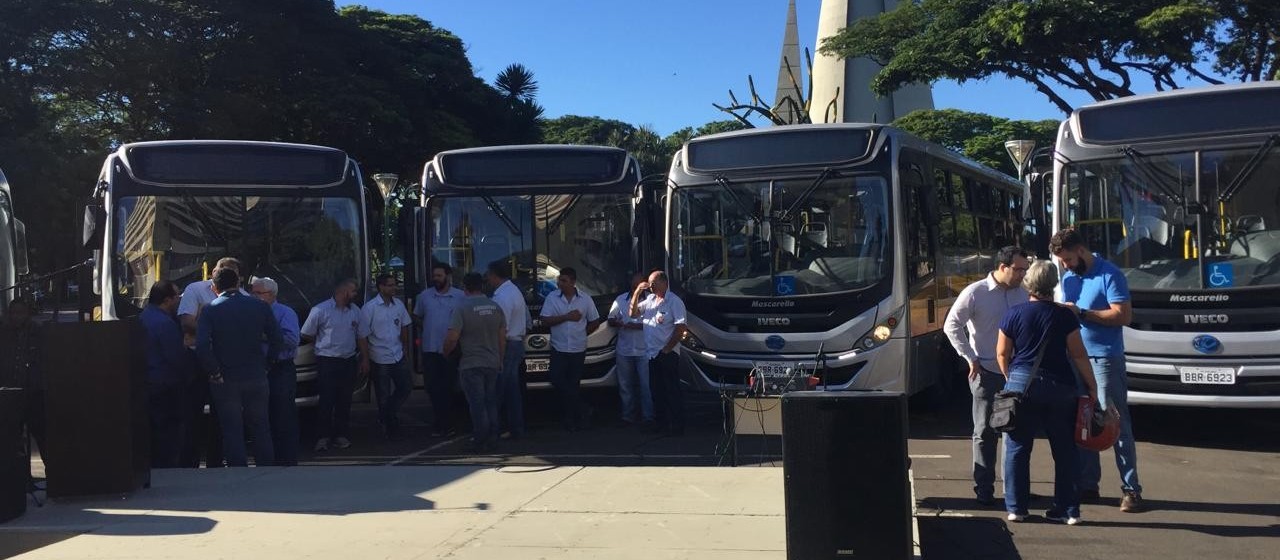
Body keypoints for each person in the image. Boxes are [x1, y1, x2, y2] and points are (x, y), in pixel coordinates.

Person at [996, 259, 1100, 525]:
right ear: (1054, 284)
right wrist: (1092, 385)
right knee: (1065, 450)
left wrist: (1011, 378)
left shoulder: (1014, 314)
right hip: (1060, 386)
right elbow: (1077, 353)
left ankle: (1016, 507)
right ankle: (1067, 510)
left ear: (1029, 283)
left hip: (1022, 386)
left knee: (1018, 447)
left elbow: (1002, 352)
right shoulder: (1064, 316)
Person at [1051, 228, 1145, 513]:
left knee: (1113, 420)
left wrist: (1081, 313)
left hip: (1104, 358)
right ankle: (1089, 484)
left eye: (1067, 259)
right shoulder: (1069, 279)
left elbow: (1123, 315)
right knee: (1082, 421)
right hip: (1076, 357)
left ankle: (1131, 489)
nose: (1065, 266)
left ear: (1080, 250)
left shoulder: (1110, 274)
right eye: (1061, 262)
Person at [943, 246, 1031, 506]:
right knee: (984, 431)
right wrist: (970, 357)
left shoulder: (1023, 293)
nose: (1022, 275)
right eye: (1018, 270)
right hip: (986, 371)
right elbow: (952, 325)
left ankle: (1014, 489)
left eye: (1025, 270)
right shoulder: (976, 292)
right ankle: (984, 489)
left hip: (1017, 371)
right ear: (1002, 267)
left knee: (1015, 431)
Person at [196, 268, 282, 467]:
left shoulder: (210, 310)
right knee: (261, 426)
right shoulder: (260, 307)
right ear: (238, 283)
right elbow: (277, 340)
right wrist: (268, 364)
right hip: (256, 374)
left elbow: (202, 346)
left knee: (232, 429)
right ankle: (267, 469)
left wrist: (214, 371)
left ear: (214, 288)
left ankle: (238, 472)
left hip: (226, 378)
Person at [177, 256, 245, 468]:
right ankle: (189, 463)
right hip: (196, 359)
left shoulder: (242, 295)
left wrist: (207, 326)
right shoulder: (195, 289)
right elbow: (186, 322)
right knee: (192, 413)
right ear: (214, 272)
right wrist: (217, 330)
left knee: (221, 414)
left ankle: (215, 461)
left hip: (223, 360)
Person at [443, 272, 506, 452]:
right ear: (483, 286)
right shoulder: (495, 307)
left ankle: (480, 438)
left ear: (465, 287)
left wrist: (446, 352)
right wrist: (500, 359)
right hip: (492, 361)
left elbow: (452, 337)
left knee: (477, 403)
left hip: (471, 363)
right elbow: (502, 338)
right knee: (490, 400)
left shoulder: (462, 309)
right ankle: (494, 436)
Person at [301, 278, 361, 452]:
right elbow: (306, 333)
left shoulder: (355, 311)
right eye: (353, 291)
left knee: (345, 400)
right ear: (343, 292)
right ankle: (322, 437)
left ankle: (341, 435)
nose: (355, 295)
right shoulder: (320, 310)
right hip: (327, 360)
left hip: (348, 360)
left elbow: (361, 335)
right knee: (326, 400)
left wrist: (364, 358)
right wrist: (322, 343)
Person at [540, 267, 602, 431]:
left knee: (574, 383)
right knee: (556, 379)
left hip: (577, 348)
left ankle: (571, 419)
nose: (560, 283)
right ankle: (583, 408)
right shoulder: (552, 298)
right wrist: (566, 317)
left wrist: (583, 333)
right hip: (559, 347)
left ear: (573, 282)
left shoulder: (585, 299)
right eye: (559, 280)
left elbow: (595, 321)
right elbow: (545, 320)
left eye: (564, 281)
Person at [629, 270, 688, 436]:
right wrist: (637, 292)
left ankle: (677, 425)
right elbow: (632, 314)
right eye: (649, 283)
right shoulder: (649, 300)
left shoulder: (674, 302)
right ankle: (660, 423)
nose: (651, 286)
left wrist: (667, 349)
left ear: (664, 282)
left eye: (653, 283)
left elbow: (681, 327)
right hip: (651, 353)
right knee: (656, 391)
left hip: (666, 353)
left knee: (672, 390)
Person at [251, 277, 301, 465]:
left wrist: (263, 336)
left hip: (280, 369)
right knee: (262, 415)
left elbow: (292, 340)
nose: (253, 296)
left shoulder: (284, 313)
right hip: (258, 368)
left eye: (258, 293)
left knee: (283, 413)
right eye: (252, 292)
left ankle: (286, 458)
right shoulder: (252, 314)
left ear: (271, 294)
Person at [140, 281, 190, 468]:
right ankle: (167, 467)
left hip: (149, 382)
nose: (179, 300)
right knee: (168, 433)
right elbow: (175, 356)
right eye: (177, 296)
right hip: (166, 385)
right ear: (167, 300)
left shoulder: (144, 317)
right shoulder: (165, 323)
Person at [413, 263, 466, 437]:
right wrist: (428, 327)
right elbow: (417, 316)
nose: (436, 279)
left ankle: (449, 423)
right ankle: (439, 421)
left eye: (439, 276)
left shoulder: (460, 296)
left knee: (450, 388)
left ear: (448, 276)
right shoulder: (424, 296)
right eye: (434, 276)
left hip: (451, 349)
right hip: (430, 349)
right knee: (432, 388)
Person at [358, 274, 413, 439]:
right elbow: (362, 335)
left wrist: (405, 349)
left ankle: (388, 414)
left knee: (405, 387)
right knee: (383, 393)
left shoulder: (399, 305)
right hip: (379, 356)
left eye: (394, 285)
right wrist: (365, 358)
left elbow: (404, 326)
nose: (393, 288)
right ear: (381, 287)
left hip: (397, 353)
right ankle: (388, 425)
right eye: (389, 285)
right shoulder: (370, 308)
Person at [486, 260, 529, 439]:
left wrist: (499, 354)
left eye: (489, 276)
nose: (487, 279)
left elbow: (501, 328)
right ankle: (515, 427)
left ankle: (492, 429)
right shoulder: (514, 291)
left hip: (507, 344)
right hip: (516, 343)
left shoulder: (501, 297)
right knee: (512, 389)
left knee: (498, 389)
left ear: (495, 276)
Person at [608, 272, 653, 427]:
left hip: (644, 350)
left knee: (645, 386)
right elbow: (611, 318)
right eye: (634, 286)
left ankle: (648, 417)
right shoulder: (620, 299)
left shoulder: (651, 300)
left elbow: (656, 323)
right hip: (624, 349)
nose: (636, 289)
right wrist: (618, 323)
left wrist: (637, 326)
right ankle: (628, 416)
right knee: (625, 385)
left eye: (639, 286)